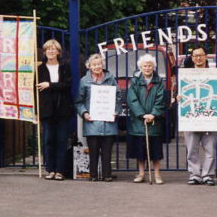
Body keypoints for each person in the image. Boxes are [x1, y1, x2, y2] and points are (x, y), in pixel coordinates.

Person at [178, 45, 217, 186]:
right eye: (195, 56)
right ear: (192, 58)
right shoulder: (185, 75)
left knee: (210, 149)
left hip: (209, 117)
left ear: (205, 57)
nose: (198, 58)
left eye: (201, 55)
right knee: (192, 149)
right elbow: (177, 93)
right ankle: (195, 174)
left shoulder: (214, 74)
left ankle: (208, 175)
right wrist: (178, 97)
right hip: (190, 117)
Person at [75, 54, 120, 182]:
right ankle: (93, 175)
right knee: (93, 151)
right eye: (94, 65)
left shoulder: (111, 79)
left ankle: (107, 175)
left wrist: (115, 111)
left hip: (108, 122)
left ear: (103, 65)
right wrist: (84, 113)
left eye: (99, 64)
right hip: (92, 122)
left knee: (107, 151)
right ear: (89, 66)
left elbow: (117, 98)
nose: (97, 67)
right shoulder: (84, 81)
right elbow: (79, 101)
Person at [36, 39, 74, 181]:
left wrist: (50, 85)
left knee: (62, 140)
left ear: (58, 52)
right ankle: (50, 169)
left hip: (63, 110)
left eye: (54, 49)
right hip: (47, 110)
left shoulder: (65, 67)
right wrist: (36, 111)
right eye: (48, 49)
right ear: (44, 52)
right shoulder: (40, 68)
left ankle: (60, 170)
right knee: (48, 140)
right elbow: (37, 91)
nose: (51, 51)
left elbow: (67, 85)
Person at [126, 54, 167, 184]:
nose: (147, 68)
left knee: (155, 150)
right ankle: (141, 173)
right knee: (140, 151)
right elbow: (132, 99)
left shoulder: (159, 81)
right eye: (145, 66)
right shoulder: (134, 81)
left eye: (150, 66)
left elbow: (161, 99)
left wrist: (153, 114)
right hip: (138, 121)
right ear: (141, 67)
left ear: (153, 67)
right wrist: (142, 114)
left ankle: (157, 175)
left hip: (154, 121)